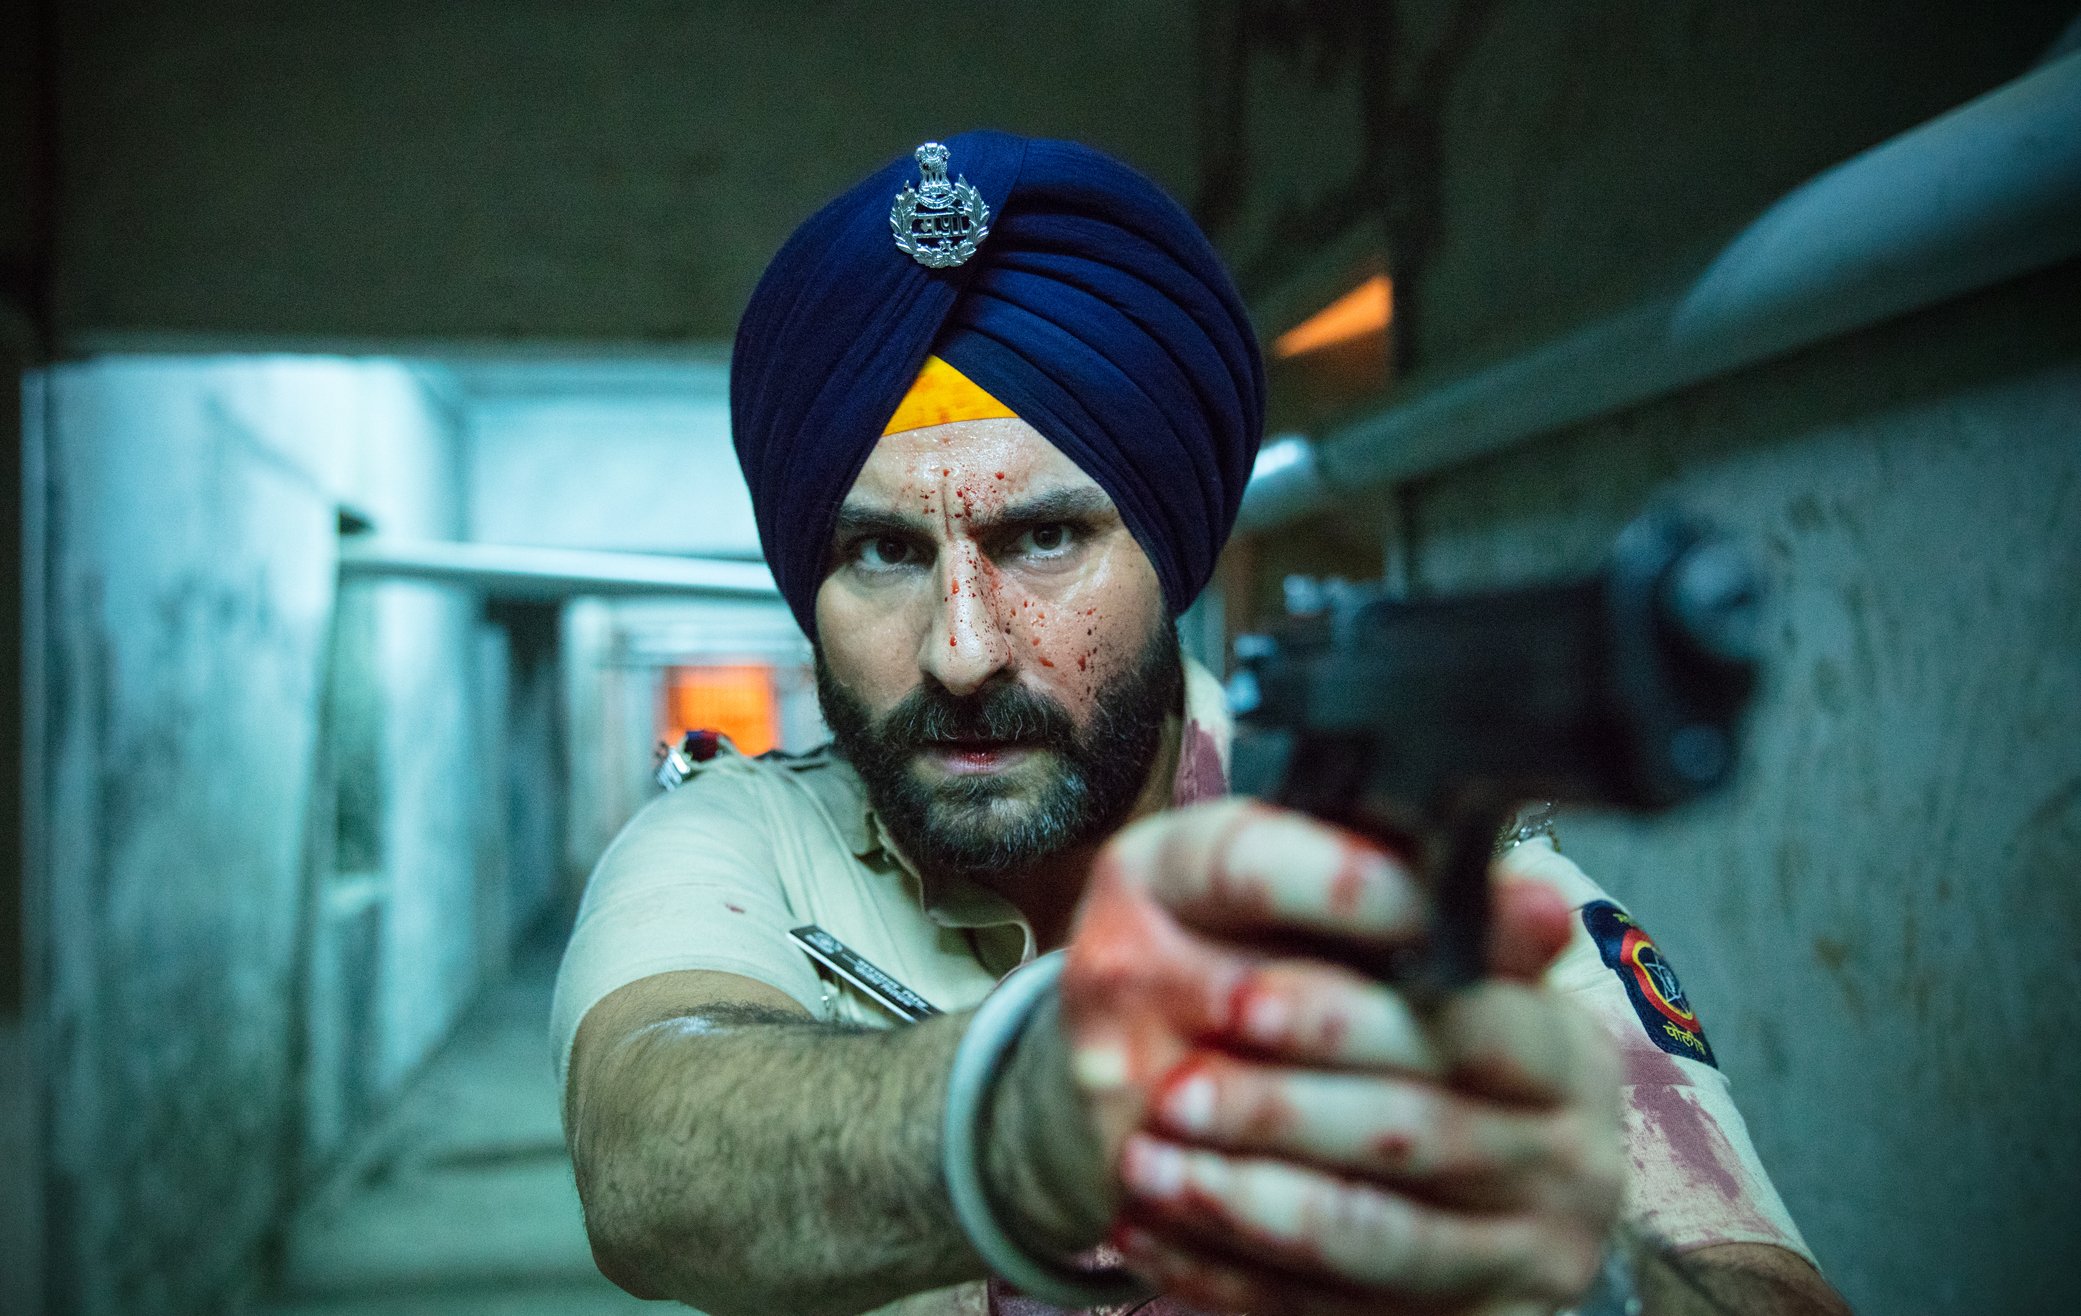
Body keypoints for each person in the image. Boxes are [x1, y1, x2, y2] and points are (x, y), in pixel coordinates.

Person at [552, 132, 1849, 1316]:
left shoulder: (1443, 897)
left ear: (1168, 556)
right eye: (884, 552)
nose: (961, 648)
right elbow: (647, 1150)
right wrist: (1035, 1118)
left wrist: (1567, 1278)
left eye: (1043, 536)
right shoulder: (744, 842)